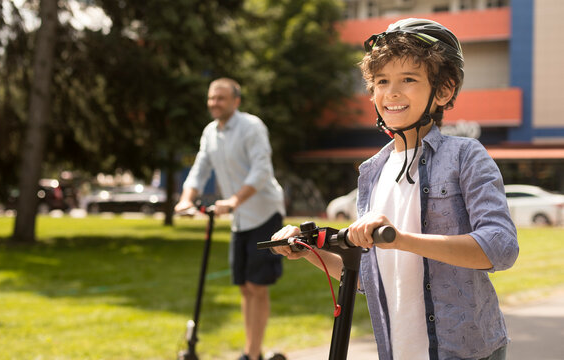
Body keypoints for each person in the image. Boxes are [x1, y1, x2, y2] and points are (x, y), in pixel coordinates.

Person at [271, 18, 518, 360]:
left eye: (409, 79)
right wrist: (309, 251)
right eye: (381, 81)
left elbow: (500, 247)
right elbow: (368, 278)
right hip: (400, 350)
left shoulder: (465, 156)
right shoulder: (372, 172)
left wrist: (400, 239)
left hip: (466, 350)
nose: (392, 92)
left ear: (443, 91)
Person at [176, 78, 285, 360]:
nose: (214, 103)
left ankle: (251, 353)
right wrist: (186, 199)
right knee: (244, 287)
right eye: (212, 98)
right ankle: (254, 352)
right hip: (239, 219)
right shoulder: (210, 132)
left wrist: (234, 201)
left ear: (236, 101)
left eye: (221, 98)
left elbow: (262, 170)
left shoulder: (251, 127)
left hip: (263, 213)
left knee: (257, 286)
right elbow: (200, 169)